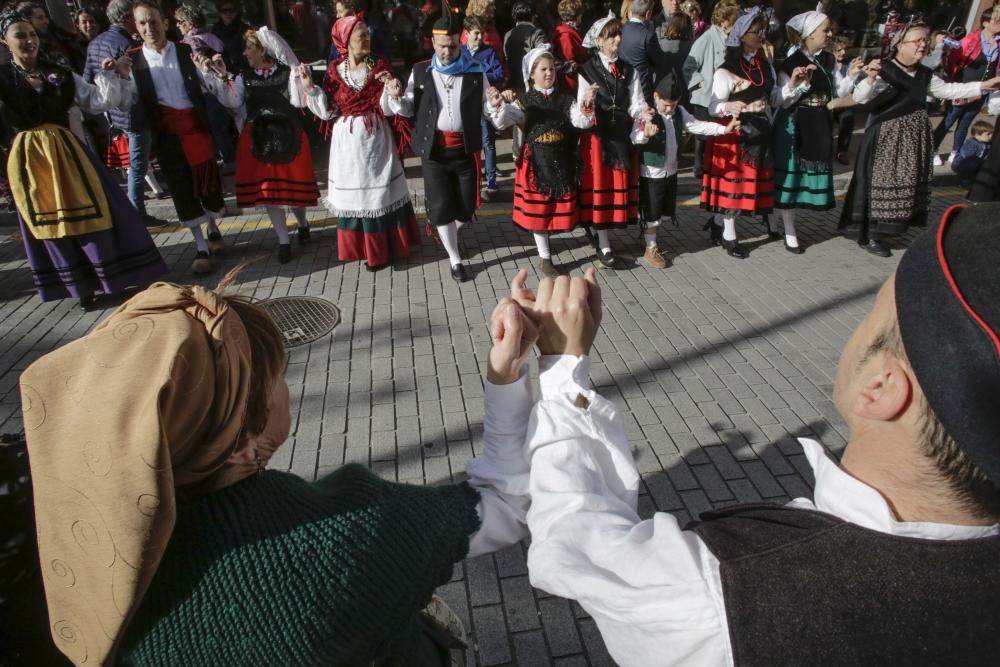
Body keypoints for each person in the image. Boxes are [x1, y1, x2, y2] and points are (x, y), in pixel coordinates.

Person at [511, 207, 1000, 666]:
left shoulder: (724, 594)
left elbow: (572, 541)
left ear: (880, 388)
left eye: (874, 309)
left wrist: (562, 369)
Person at [20, 265, 543, 666]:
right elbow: (505, 503)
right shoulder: (336, 536)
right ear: (241, 448)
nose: (287, 386)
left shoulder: (82, 557)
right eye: (276, 377)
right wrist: (509, 368)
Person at [0, 9, 166, 310]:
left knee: (97, 212)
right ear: (4, 42)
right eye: (20, 36)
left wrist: (113, 74)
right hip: (28, 161)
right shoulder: (1, 79)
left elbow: (98, 100)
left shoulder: (59, 73)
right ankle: (80, 286)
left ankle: (114, 276)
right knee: (53, 223)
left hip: (69, 153)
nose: (29, 41)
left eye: (33, 35)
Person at [841, 21, 1000, 257]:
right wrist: (870, 79)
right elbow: (862, 98)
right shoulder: (884, 68)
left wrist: (984, 85)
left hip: (912, 139)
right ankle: (872, 233)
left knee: (904, 184)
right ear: (900, 45)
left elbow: (950, 91)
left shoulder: (925, 74)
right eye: (917, 41)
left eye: (925, 40)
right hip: (885, 136)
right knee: (882, 183)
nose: (923, 45)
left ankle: (890, 227)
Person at [122, 0, 235, 274]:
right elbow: (125, 100)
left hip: (195, 128)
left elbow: (209, 86)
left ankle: (213, 228)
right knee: (182, 187)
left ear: (166, 23)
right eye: (143, 23)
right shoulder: (133, 60)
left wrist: (214, 71)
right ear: (136, 28)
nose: (150, 28)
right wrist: (119, 78)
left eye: (154, 21)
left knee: (207, 183)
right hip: (167, 135)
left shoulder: (185, 52)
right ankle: (200, 247)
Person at [386, 15, 503, 282]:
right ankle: (455, 258)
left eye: (452, 46)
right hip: (434, 152)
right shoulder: (420, 70)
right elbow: (407, 109)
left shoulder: (475, 70)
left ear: (459, 42)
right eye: (442, 46)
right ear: (433, 43)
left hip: (465, 149)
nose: (447, 52)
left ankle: (445, 228)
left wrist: (495, 103)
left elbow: (486, 108)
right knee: (441, 209)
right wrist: (395, 97)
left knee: (466, 208)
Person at [199, 27, 321, 264]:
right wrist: (222, 77)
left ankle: (303, 224)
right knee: (269, 194)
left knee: (294, 193)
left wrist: (301, 80)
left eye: (249, 48)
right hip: (259, 139)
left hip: (288, 136)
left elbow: (298, 102)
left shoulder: (287, 73)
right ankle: (283, 241)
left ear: (263, 50)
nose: (245, 53)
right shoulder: (244, 77)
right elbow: (232, 100)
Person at [701, 8, 811, 259]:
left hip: (760, 132)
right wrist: (729, 106)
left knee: (747, 187)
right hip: (736, 134)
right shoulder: (726, 69)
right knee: (735, 188)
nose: (762, 35)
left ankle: (718, 224)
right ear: (741, 35)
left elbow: (775, 100)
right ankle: (728, 234)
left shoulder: (765, 66)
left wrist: (792, 84)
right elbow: (713, 107)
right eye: (756, 31)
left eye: (763, 30)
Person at [321, 15, 421, 271]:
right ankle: (363, 250)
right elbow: (328, 110)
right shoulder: (334, 71)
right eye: (361, 35)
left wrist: (392, 92)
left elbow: (386, 110)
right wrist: (309, 90)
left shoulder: (379, 65)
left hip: (375, 139)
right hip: (347, 143)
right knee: (357, 196)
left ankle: (389, 250)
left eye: (367, 34)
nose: (367, 39)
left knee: (379, 193)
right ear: (346, 41)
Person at [488, 44, 596, 277]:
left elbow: (581, 121)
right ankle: (544, 257)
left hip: (560, 158)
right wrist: (498, 105)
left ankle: (552, 245)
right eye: (544, 69)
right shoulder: (525, 101)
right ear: (532, 74)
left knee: (556, 208)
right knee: (539, 211)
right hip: (535, 162)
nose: (549, 73)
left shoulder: (566, 99)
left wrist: (586, 106)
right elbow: (503, 121)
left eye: (551, 69)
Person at [771, 11, 860, 253]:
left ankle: (775, 219)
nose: (829, 34)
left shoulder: (829, 60)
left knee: (800, 177)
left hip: (819, 122)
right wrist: (800, 85)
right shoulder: (790, 63)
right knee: (790, 177)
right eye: (824, 30)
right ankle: (788, 229)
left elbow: (836, 90)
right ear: (809, 34)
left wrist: (850, 77)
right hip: (794, 124)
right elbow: (782, 102)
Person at [632, 72, 735, 268]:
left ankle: (649, 239)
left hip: (670, 169)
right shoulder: (647, 114)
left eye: (673, 104)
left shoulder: (679, 112)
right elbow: (634, 137)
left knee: (662, 208)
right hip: (651, 171)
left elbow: (697, 125)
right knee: (651, 210)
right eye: (666, 104)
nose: (669, 109)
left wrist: (723, 130)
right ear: (656, 96)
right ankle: (650, 247)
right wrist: (645, 134)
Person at [84, 0, 166, 226]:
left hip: (111, 112)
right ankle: (136, 212)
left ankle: (137, 208)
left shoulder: (95, 42)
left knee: (136, 163)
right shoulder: (126, 44)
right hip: (134, 112)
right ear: (128, 19)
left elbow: (87, 80)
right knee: (138, 164)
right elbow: (139, 83)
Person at [576, 14, 646, 269]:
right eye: (612, 35)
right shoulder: (587, 69)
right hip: (598, 139)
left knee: (618, 190)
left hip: (622, 135)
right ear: (600, 40)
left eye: (619, 34)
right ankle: (603, 242)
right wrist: (588, 103)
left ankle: (604, 234)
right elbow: (581, 109)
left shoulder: (629, 69)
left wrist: (643, 114)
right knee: (600, 191)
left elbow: (636, 102)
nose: (618, 39)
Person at [931, 7, 1000, 166]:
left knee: (965, 123)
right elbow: (953, 60)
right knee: (949, 120)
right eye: (996, 21)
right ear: (985, 23)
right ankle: (932, 150)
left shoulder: (998, 42)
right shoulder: (972, 39)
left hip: (982, 90)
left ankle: (955, 151)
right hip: (963, 87)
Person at [682, 0, 739, 178]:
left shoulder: (729, 38)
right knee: (703, 133)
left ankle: (712, 165)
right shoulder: (707, 38)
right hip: (705, 95)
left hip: (722, 95)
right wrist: (701, 84)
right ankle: (699, 166)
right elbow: (688, 66)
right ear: (724, 21)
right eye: (734, 20)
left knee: (717, 131)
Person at [175, 3, 236, 166]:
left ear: (189, 22)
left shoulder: (190, 43)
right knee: (225, 125)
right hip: (225, 85)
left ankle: (228, 160)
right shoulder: (212, 37)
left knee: (216, 128)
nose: (177, 25)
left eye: (180, 21)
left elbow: (196, 72)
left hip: (208, 91)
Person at [464, 15, 506, 199]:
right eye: (476, 33)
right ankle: (473, 180)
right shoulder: (460, 52)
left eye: (481, 33)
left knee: (488, 142)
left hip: (484, 103)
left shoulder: (489, 52)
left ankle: (491, 182)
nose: (480, 37)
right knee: (470, 144)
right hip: (466, 105)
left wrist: (481, 72)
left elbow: (500, 73)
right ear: (466, 34)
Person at [620, 0, 664, 105]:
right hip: (642, 86)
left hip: (623, 82)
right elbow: (658, 59)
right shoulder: (648, 35)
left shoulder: (622, 29)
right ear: (648, 13)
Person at [503, 1, 546, 92]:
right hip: (532, 86)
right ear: (533, 16)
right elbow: (543, 59)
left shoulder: (508, 35)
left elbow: (507, 58)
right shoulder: (537, 33)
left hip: (513, 85)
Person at [552, 0, 587, 92]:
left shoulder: (568, 30)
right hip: (571, 83)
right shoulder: (566, 35)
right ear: (577, 16)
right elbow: (568, 61)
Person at [831, 33, 856, 163]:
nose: (843, 52)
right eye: (839, 50)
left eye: (844, 49)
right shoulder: (827, 61)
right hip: (828, 101)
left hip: (843, 102)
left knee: (848, 118)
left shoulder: (849, 62)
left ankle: (842, 151)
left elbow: (856, 83)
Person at [211, 0, 250, 74]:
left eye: (231, 10)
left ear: (237, 11)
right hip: (223, 73)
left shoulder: (245, 30)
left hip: (243, 74)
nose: (228, 14)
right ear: (219, 12)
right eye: (224, 10)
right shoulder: (215, 30)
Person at [951, 117, 993, 184]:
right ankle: (965, 180)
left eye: (991, 134)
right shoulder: (971, 143)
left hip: (976, 163)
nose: (991, 136)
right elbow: (968, 156)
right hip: (961, 165)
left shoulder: (987, 144)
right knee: (972, 164)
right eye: (988, 134)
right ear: (977, 135)